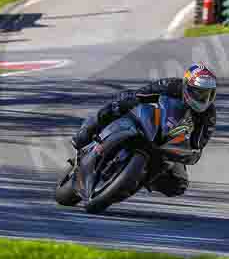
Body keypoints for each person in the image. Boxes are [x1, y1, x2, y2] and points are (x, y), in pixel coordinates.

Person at [70, 63, 217, 198]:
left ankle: (140, 179)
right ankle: (85, 134)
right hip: (151, 122)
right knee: (118, 106)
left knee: (178, 185)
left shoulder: (208, 115)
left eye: (209, 93)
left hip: (170, 142)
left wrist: (189, 155)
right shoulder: (171, 85)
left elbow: (198, 145)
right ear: (187, 86)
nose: (204, 98)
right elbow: (143, 93)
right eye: (199, 92)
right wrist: (131, 98)